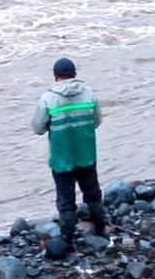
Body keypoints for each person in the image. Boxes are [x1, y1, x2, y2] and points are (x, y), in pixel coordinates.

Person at [31, 57, 106, 246]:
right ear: (75, 74)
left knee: (65, 198)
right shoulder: (89, 94)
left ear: (56, 76)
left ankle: (67, 236)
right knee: (93, 193)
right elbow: (97, 122)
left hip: (61, 157)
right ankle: (100, 227)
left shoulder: (48, 98)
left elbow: (38, 128)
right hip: (86, 154)